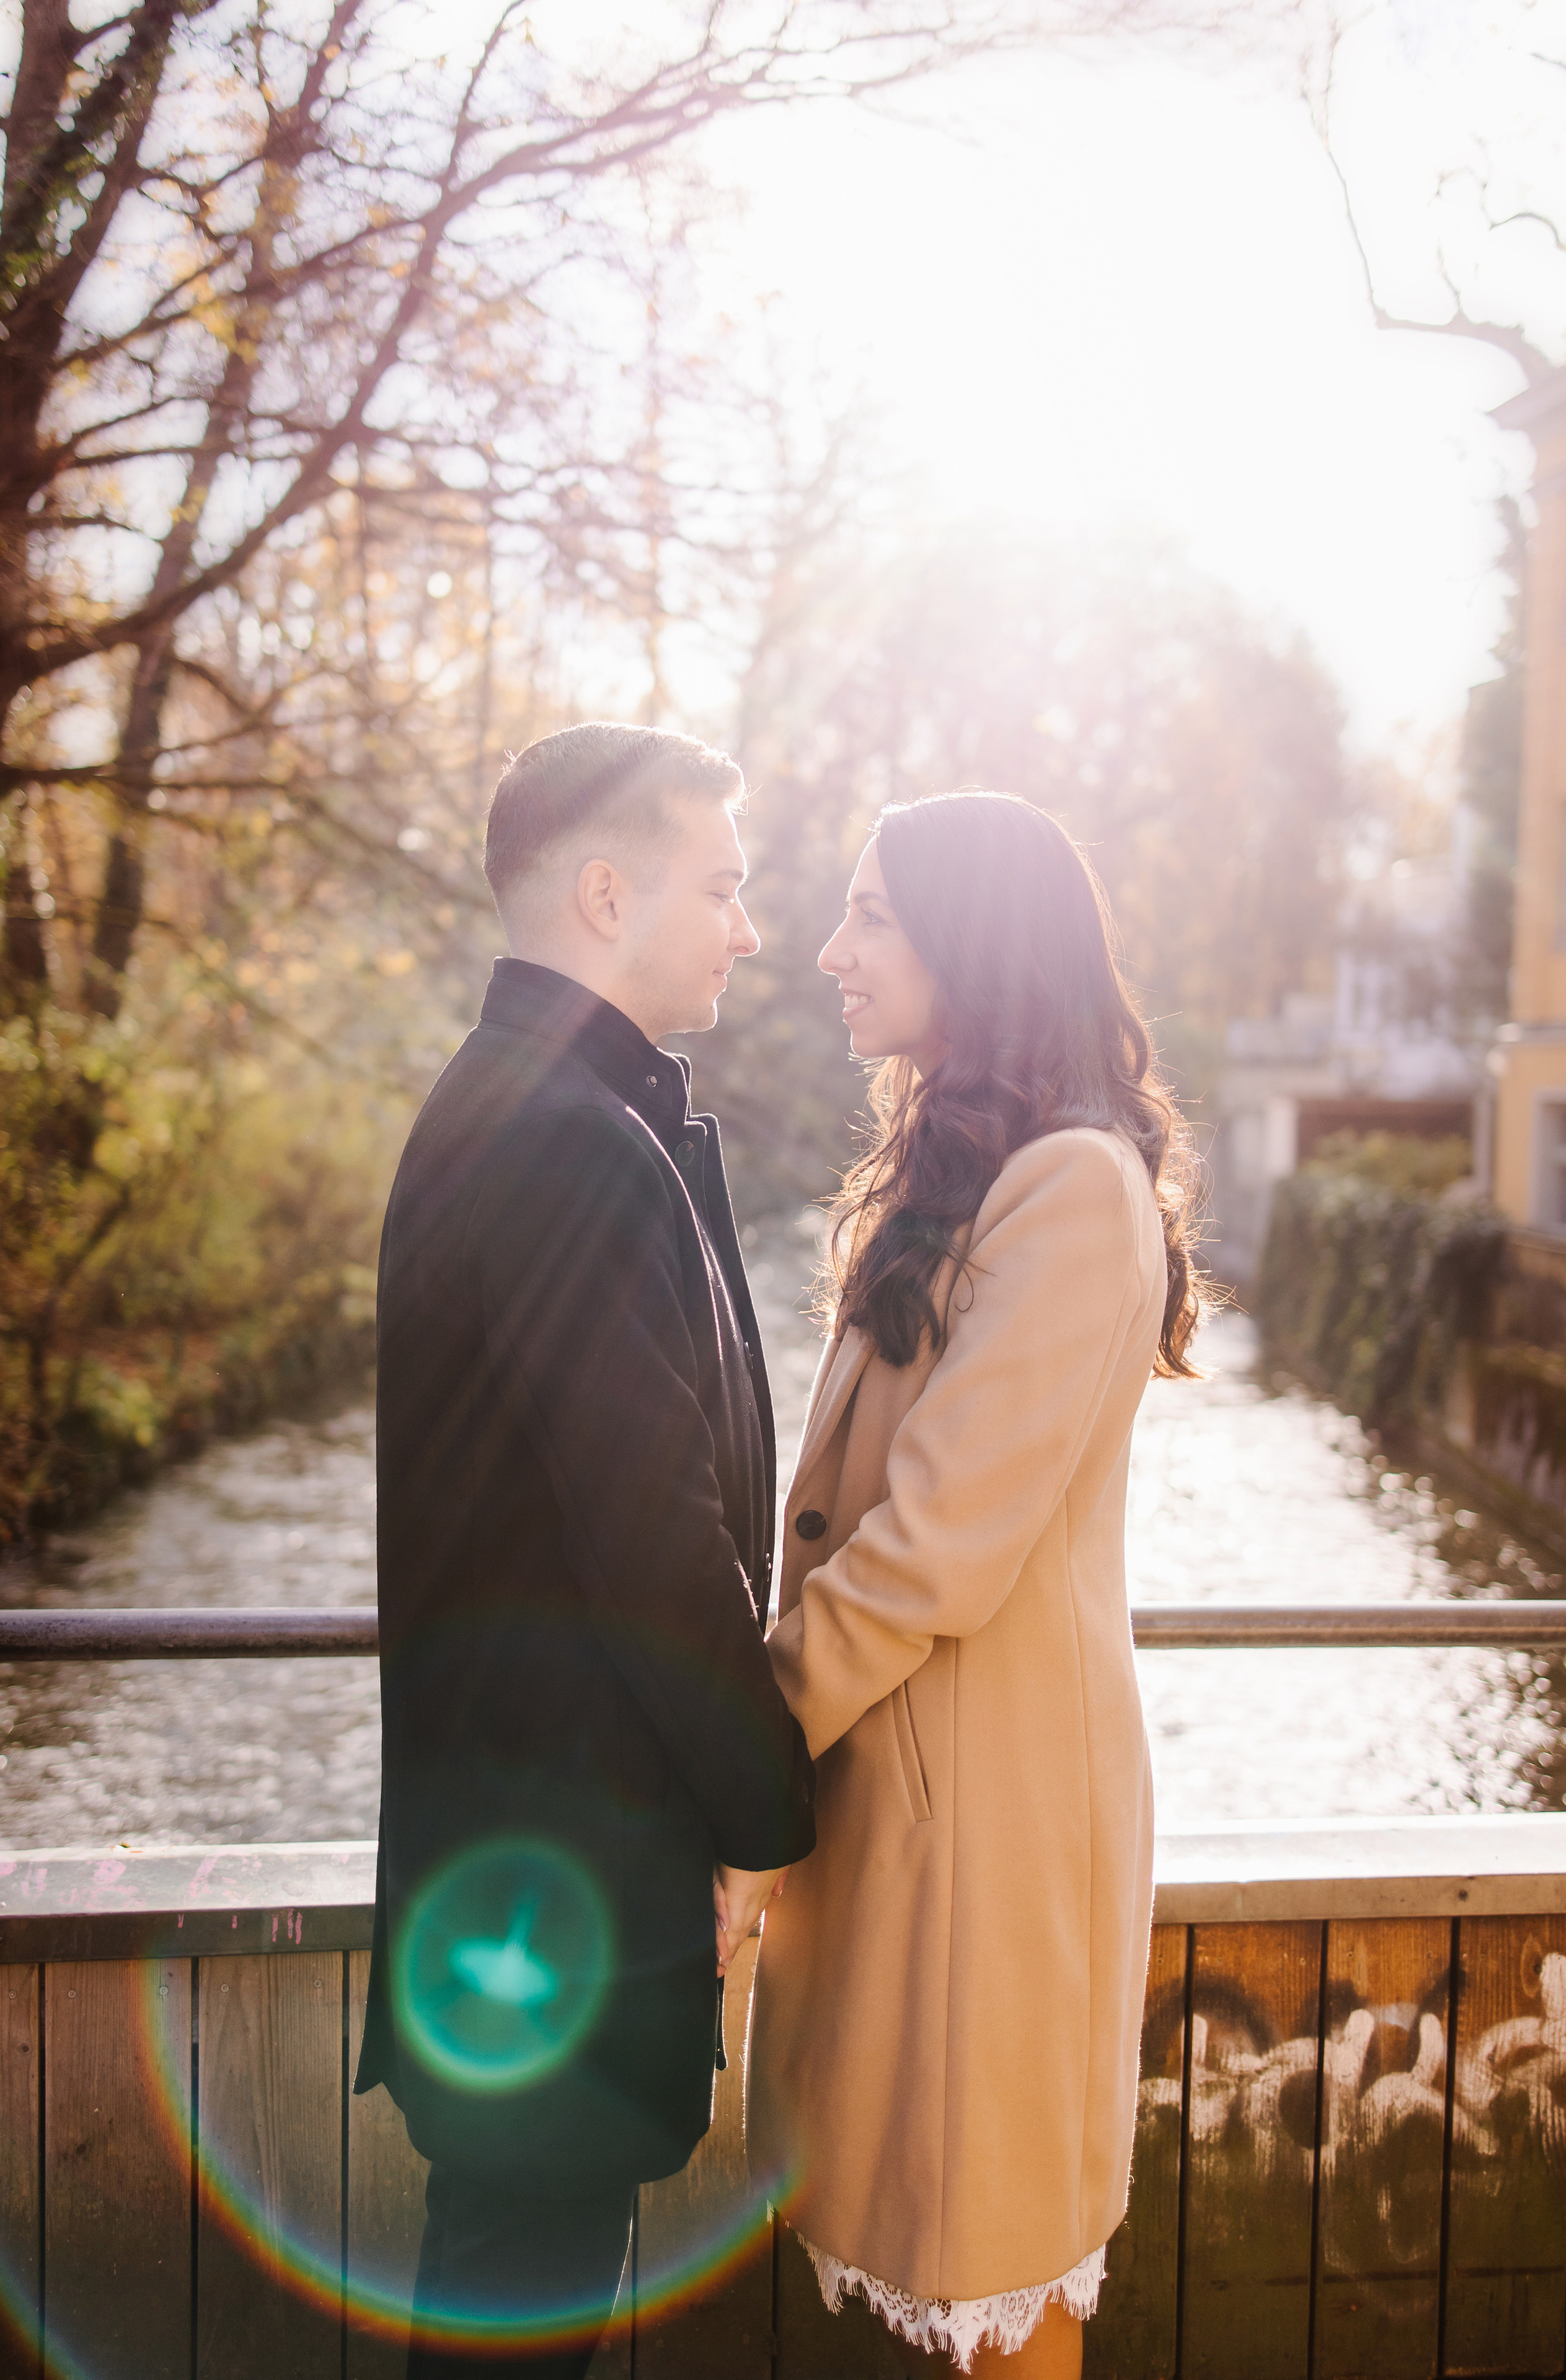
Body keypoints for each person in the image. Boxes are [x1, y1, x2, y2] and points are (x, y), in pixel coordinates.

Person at [354, 722, 815, 2379]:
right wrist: (770, 1816)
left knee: (517, 2296)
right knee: (517, 2317)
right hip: (553, 1898)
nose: (747, 931)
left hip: (525, 1888)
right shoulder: (560, 1136)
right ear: (606, 891)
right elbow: (656, 1546)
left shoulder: (539, 1109)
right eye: (724, 887)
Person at [746, 791, 1208, 2379]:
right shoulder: (958, 1172)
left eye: (868, 915)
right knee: (914, 2264)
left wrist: (742, 1735)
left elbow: (938, 1541)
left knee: (993, 2286)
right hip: (903, 1801)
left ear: (973, 938)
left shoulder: (1072, 1190)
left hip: (989, 1828)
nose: (829, 952)